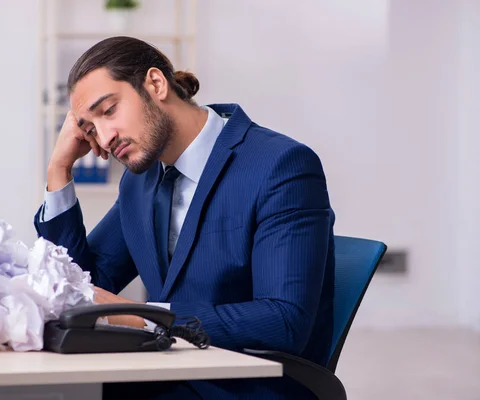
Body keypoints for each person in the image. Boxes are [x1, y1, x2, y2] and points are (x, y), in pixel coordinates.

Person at [34, 36, 336, 400]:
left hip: (245, 386)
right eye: (90, 127)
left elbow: (284, 321)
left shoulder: (280, 166)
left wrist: (144, 317)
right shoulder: (140, 181)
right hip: (163, 376)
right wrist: (59, 168)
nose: (105, 136)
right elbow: (81, 283)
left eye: (109, 110)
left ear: (156, 84)